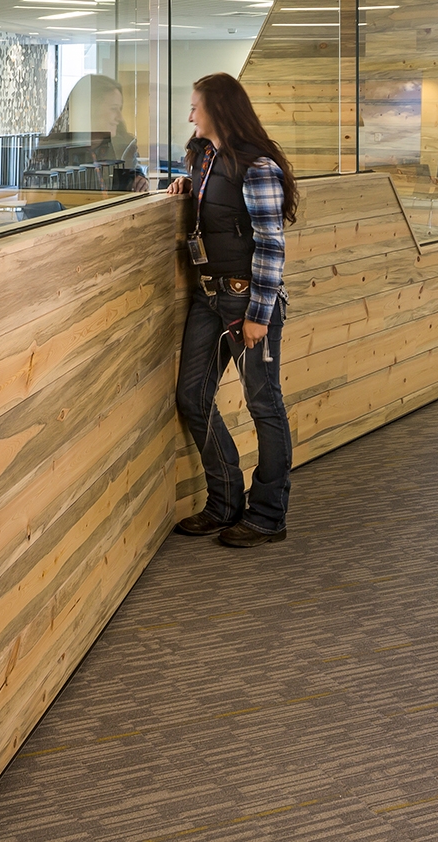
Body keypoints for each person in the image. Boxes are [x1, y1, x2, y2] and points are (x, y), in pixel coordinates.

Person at [166, 72, 297, 548]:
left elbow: (270, 246)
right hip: (208, 297)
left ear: (218, 110)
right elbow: (216, 210)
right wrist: (187, 187)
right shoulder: (205, 159)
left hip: (247, 301)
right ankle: (224, 504)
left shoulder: (256, 166)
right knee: (192, 398)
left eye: (195, 107)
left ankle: (267, 516)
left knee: (264, 404)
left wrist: (260, 313)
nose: (190, 115)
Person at [22, 73, 148, 194]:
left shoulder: (124, 147)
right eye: (113, 109)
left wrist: (139, 182)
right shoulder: (53, 150)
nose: (119, 117)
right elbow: (35, 199)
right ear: (90, 110)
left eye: (119, 109)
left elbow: (134, 178)